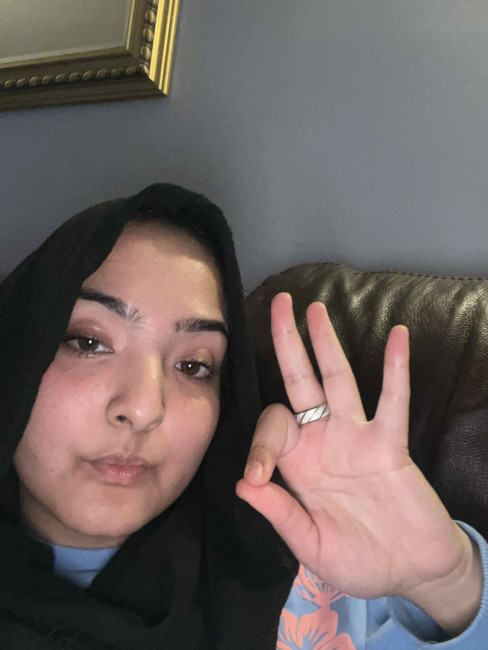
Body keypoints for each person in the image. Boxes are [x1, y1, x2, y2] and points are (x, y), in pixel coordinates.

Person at [0, 183, 486, 649]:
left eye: (194, 366)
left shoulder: (312, 578)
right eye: (89, 343)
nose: (145, 408)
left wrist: (448, 584)